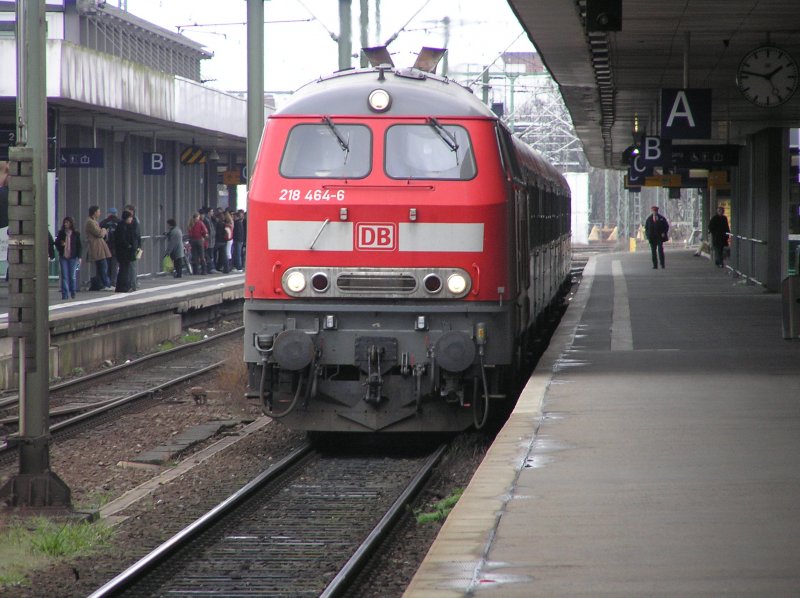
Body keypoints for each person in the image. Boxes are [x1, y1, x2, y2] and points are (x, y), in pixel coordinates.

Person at [84, 205, 113, 290]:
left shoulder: (94, 221)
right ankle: (106, 284)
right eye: (98, 211)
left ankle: (102, 284)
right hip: (96, 246)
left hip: (99, 245)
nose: (99, 213)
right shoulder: (90, 222)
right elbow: (99, 233)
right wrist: (104, 230)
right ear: (94, 213)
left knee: (102, 266)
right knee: (103, 265)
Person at [55, 216, 81, 300]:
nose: (66, 224)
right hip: (63, 256)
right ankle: (65, 294)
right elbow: (56, 243)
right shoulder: (61, 233)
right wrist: (61, 245)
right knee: (64, 276)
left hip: (73, 257)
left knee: (72, 276)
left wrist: (79, 256)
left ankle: (73, 291)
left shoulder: (76, 234)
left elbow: (79, 246)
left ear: (71, 224)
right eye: (65, 222)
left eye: (68, 222)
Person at [114, 210, 137, 293]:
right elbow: (122, 239)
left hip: (124, 252)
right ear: (127, 218)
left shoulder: (123, 225)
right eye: (130, 217)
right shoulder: (123, 226)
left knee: (123, 269)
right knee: (124, 270)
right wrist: (129, 245)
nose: (131, 219)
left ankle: (121, 286)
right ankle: (123, 287)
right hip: (124, 252)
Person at [99, 207, 120, 285]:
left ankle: (106, 282)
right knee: (114, 265)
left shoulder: (103, 223)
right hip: (116, 247)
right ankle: (113, 281)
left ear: (108, 214)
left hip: (105, 246)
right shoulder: (119, 222)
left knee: (106, 265)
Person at [124, 204, 142, 290]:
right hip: (135, 245)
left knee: (132, 266)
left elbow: (135, 234)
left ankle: (133, 284)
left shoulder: (133, 221)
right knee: (132, 266)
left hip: (133, 246)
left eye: (127, 210)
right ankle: (133, 283)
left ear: (131, 211)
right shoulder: (136, 220)